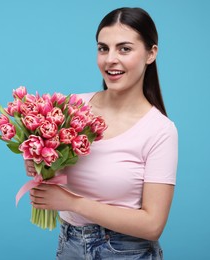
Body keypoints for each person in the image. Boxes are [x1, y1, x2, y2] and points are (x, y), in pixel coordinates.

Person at [24, 7, 178, 260]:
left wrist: (72, 202)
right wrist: (39, 164)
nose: (110, 59)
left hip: (127, 252)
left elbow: (153, 225)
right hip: (70, 244)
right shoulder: (70, 107)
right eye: (103, 48)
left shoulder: (160, 131)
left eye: (124, 49)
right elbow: (51, 175)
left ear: (151, 54)